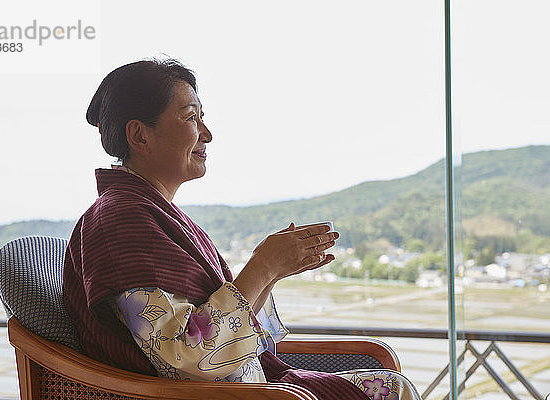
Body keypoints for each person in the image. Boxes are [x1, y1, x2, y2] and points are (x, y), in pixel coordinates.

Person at [63, 58, 421, 400]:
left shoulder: (150, 215)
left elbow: (226, 331)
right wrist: (262, 266)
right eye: (191, 118)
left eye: (203, 117)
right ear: (139, 136)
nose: (207, 133)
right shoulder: (120, 221)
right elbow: (187, 359)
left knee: (393, 385)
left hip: (237, 390)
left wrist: (272, 273)